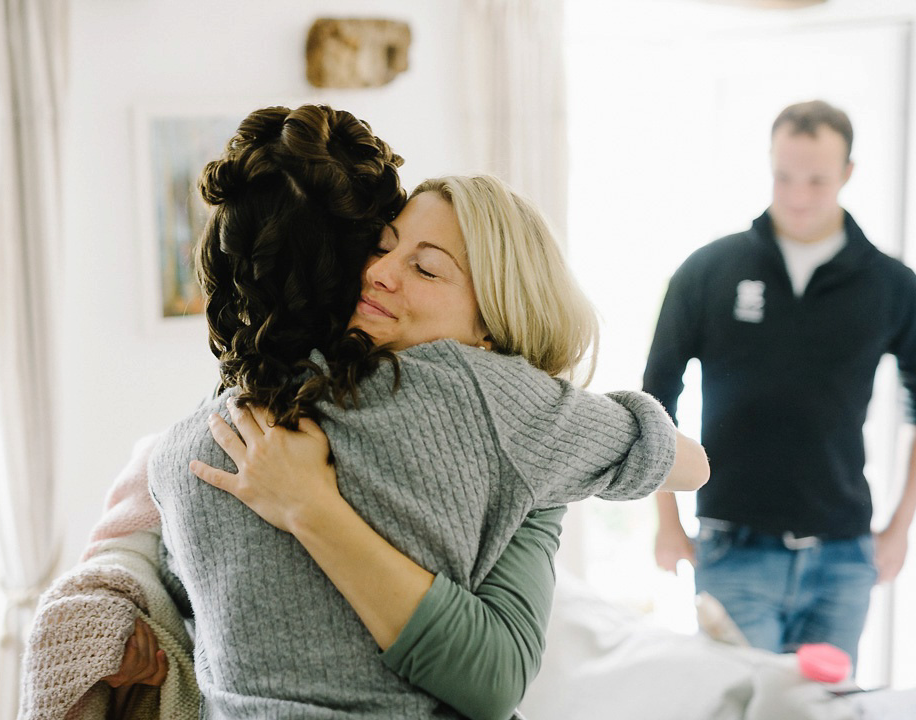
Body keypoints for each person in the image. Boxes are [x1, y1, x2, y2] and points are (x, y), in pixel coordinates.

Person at [145, 106, 708, 718]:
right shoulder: (498, 404)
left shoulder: (188, 443)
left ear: (492, 320)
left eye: (426, 267)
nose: (380, 273)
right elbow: (688, 463)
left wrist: (313, 508)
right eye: (381, 248)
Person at [645, 99, 916, 669]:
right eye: (783, 175)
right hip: (734, 549)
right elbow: (654, 401)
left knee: (821, 711)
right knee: (743, 707)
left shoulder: (892, 285)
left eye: (816, 179)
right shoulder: (708, 270)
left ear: (847, 173)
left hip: (844, 557)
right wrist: (667, 523)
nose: (797, 194)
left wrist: (899, 529)